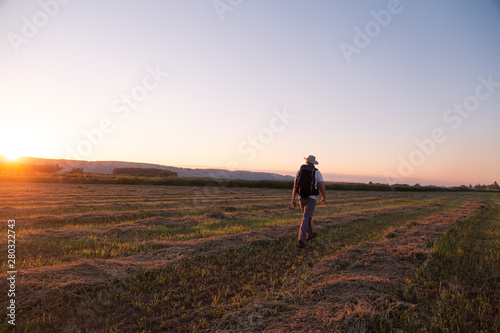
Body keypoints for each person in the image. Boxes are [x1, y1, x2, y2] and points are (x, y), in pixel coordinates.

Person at [291, 155, 326, 248]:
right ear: (313, 163)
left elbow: (295, 186)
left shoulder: (300, 171)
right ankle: (301, 240)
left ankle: (310, 235)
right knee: (306, 218)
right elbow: (321, 187)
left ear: (306, 162)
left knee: (307, 217)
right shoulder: (316, 172)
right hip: (312, 198)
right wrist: (324, 197)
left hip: (301, 197)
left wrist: (293, 199)